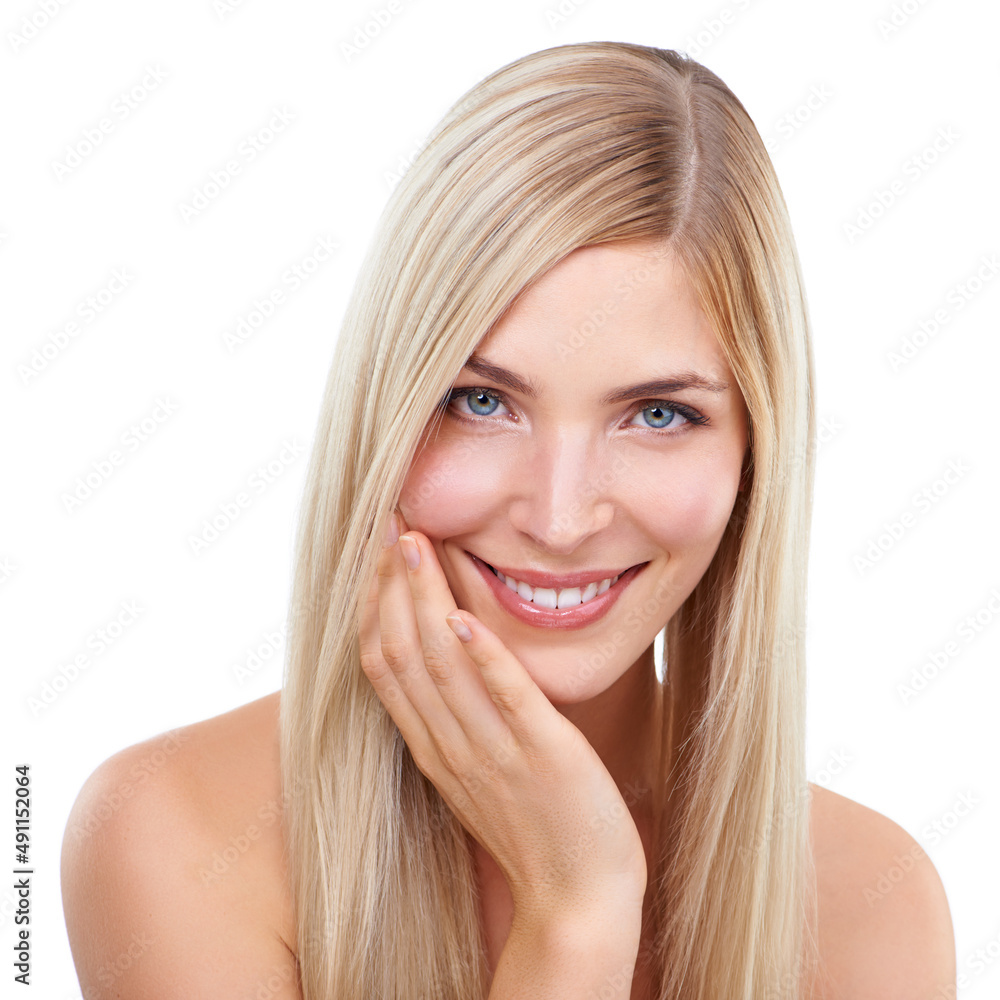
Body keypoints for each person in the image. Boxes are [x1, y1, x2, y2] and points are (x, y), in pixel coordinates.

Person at [61, 40, 955, 999]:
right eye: (481, 401)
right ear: (385, 415)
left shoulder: (871, 903)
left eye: (660, 414)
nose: (562, 518)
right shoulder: (174, 831)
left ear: (754, 455)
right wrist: (578, 913)